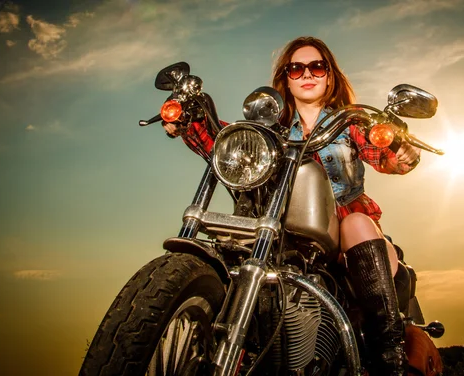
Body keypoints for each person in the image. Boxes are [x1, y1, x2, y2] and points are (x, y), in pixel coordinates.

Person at [164, 36, 421, 376]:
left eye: (317, 66)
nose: (307, 74)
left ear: (330, 76)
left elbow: (386, 154)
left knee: (356, 223)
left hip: (344, 238)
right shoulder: (273, 131)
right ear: (286, 78)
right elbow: (225, 142)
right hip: (286, 237)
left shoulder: (352, 124)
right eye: (296, 68)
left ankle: (391, 360)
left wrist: (401, 150)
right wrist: (189, 118)